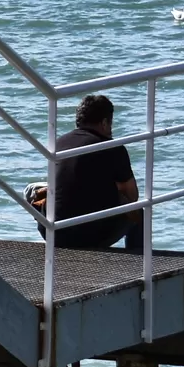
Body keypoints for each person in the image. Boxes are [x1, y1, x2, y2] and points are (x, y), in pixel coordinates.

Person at [53, 93, 143, 252]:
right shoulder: (113, 148)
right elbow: (132, 196)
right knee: (140, 211)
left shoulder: (58, 143)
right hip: (90, 236)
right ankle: (139, 263)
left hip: (55, 232)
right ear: (104, 122)